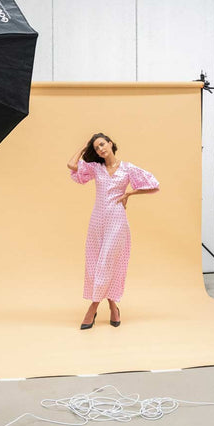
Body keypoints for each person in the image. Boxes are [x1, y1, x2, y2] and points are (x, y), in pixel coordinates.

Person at [67, 133, 160, 330]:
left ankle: (92, 308)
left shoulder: (127, 168)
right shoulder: (96, 168)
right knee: (95, 263)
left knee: (107, 262)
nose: (100, 149)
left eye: (102, 144)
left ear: (110, 143)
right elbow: (71, 165)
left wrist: (129, 193)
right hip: (97, 221)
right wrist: (84, 148)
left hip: (117, 221)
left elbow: (153, 184)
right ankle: (113, 307)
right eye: (96, 148)